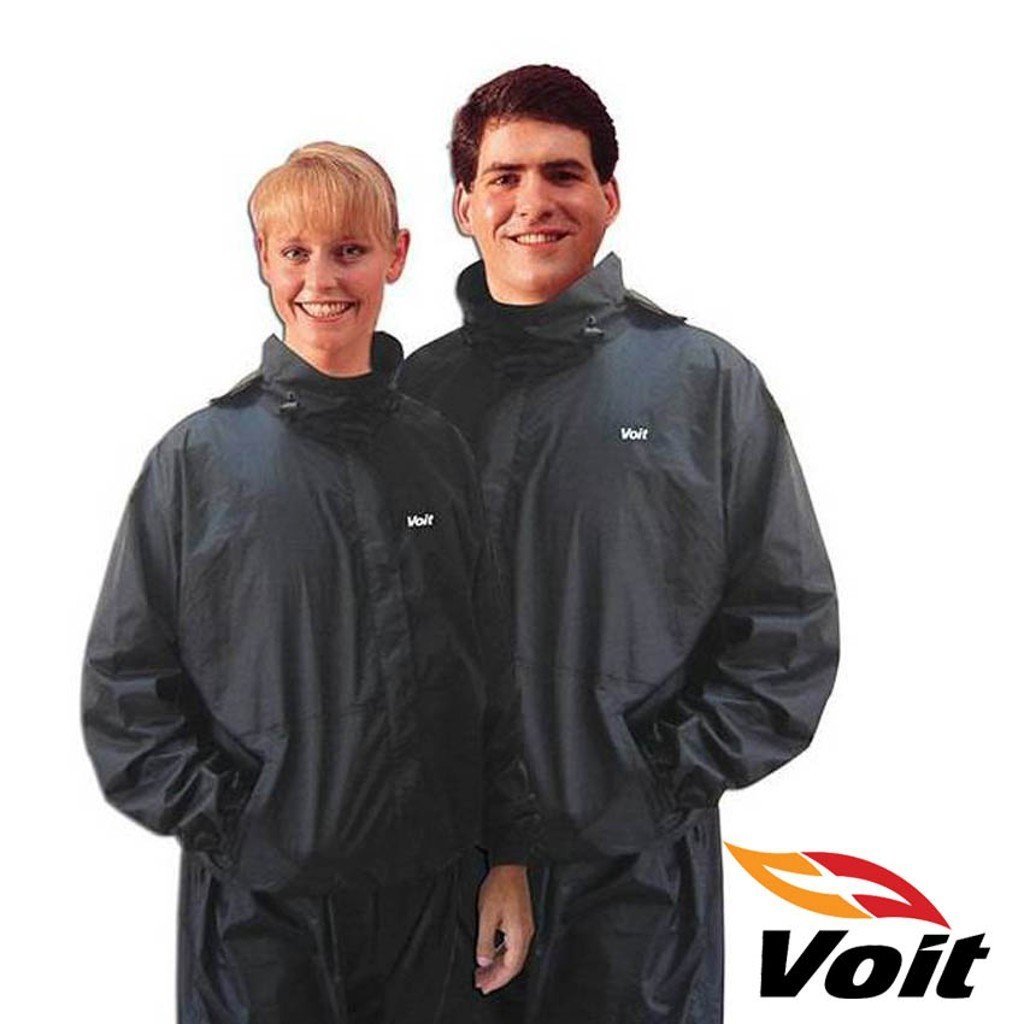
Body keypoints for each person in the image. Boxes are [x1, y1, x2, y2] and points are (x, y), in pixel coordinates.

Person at [399, 67, 840, 1023]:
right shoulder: (407, 403)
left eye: (563, 173)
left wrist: (649, 786)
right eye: (504, 177)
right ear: (463, 205)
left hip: (636, 899)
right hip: (433, 892)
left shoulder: (703, 386)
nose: (534, 201)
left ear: (610, 195)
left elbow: (788, 630)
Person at [82, 142, 536, 1024]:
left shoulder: (436, 452)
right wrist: (241, 831)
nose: (322, 279)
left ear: (396, 255)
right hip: (264, 922)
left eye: (349, 250)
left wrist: (508, 859)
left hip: (429, 906)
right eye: (296, 252)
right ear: (264, 258)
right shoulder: (200, 462)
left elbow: (491, 672)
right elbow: (125, 694)